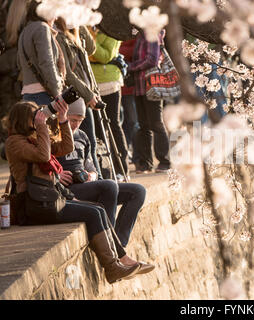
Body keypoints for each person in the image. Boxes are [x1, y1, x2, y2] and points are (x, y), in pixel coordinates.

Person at [4, 99, 142, 284]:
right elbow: (43, 155)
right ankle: (112, 266)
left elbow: (65, 147)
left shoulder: (35, 139)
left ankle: (115, 263)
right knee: (93, 213)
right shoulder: (14, 142)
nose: (40, 118)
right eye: (34, 116)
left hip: (49, 198)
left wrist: (62, 120)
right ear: (23, 120)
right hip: (34, 205)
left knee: (98, 210)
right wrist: (42, 126)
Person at [57, 100, 154, 272]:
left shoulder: (82, 136)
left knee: (138, 191)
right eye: (72, 120)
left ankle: (118, 243)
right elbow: (40, 164)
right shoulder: (54, 135)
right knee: (109, 185)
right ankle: (116, 251)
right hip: (68, 189)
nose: (75, 125)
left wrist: (91, 176)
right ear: (64, 116)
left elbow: (91, 166)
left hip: (86, 185)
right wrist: (56, 175)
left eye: (79, 120)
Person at [54, 17, 103, 179]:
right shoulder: (58, 36)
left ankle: (96, 178)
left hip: (86, 95)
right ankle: (94, 181)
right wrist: (88, 94)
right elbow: (67, 73)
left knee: (91, 142)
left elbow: (91, 48)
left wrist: (80, 22)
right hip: (75, 95)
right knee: (84, 140)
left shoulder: (75, 33)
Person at [128, 30, 171, 174]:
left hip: (152, 85)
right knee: (143, 126)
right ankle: (146, 164)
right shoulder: (140, 35)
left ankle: (165, 161)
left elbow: (152, 59)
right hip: (139, 86)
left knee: (156, 124)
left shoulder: (153, 33)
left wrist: (131, 66)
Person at [89, 28, 129, 181]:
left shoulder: (113, 30)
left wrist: (90, 44)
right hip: (91, 86)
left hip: (109, 83)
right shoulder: (86, 25)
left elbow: (105, 56)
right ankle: (105, 168)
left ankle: (121, 168)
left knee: (113, 125)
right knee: (97, 130)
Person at [16, 0, 65, 105]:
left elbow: (19, 63)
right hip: (43, 95)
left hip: (27, 94)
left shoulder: (25, 30)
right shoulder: (42, 28)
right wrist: (57, 93)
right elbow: (47, 62)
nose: (56, 18)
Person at [119, 39, 139, 163]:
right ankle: (125, 152)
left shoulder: (133, 34)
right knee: (121, 122)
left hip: (131, 87)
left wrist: (120, 55)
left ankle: (136, 154)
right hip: (117, 87)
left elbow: (134, 52)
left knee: (132, 121)